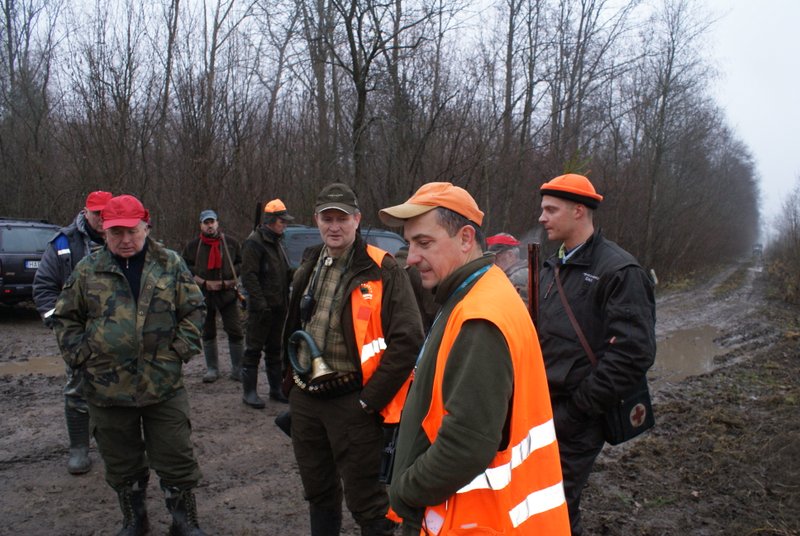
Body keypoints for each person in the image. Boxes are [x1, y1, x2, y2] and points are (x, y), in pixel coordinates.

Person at [379, 182, 570, 535]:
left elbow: (465, 445)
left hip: (477, 521)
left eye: (424, 243)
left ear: (466, 238)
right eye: (409, 244)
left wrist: (404, 493)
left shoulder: (479, 317)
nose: (412, 257)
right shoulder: (477, 291)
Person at [52, 194, 208, 536]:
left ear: (146, 227)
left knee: (176, 455)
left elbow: (195, 309)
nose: (125, 239)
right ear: (104, 232)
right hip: (107, 388)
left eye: (132, 231)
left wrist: (179, 350)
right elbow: (65, 318)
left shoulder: (169, 263)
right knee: (121, 461)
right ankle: (135, 519)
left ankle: (184, 521)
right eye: (116, 232)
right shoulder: (88, 269)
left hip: (162, 385)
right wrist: (82, 356)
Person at [283, 182, 424, 536]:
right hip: (306, 398)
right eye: (327, 218)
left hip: (353, 403)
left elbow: (408, 340)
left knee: (368, 503)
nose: (334, 226)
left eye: (342, 219)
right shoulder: (311, 260)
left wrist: (369, 401)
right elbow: (293, 322)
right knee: (318, 491)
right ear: (316, 220)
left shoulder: (382, 268)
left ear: (357, 220)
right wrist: (290, 384)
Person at [536, 173, 656, 535]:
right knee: (539, 501)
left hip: (578, 416)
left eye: (551, 210)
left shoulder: (619, 270)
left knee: (554, 506)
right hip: (542, 409)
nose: (541, 218)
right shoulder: (551, 265)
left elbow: (632, 354)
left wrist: (576, 411)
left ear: (578, 211)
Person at [33, 189, 113, 475]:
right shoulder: (63, 242)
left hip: (118, 331)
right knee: (77, 389)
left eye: (106, 213)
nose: (102, 219)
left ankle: (113, 446)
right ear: (85, 212)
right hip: (80, 332)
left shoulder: (123, 236)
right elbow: (43, 287)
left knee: (116, 388)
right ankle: (79, 448)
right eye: (97, 213)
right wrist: (59, 323)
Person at [240, 199, 295, 408]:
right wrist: (260, 304)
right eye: (282, 221)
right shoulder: (254, 243)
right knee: (253, 350)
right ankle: (249, 393)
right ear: (271, 221)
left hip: (279, 306)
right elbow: (249, 276)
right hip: (260, 310)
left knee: (275, 349)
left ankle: (276, 389)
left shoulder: (277, 242)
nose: (285, 225)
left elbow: (282, 272)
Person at [182, 209, 245, 383]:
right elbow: (184, 266)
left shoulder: (231, 243)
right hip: (203, 295)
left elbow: (241, 262)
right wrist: (202, 281)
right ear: (201, 225)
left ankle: (238, 369)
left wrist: (230, 277)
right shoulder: (192, 246)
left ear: (217, 223)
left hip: (228, 294)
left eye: (212, 222)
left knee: (235, 331)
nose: (210, 225)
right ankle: (212, 369)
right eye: (206, 223)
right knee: (208, 333)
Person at [486, 232, 529, 305]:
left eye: (496, 257)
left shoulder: (517, 278)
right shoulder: (517, 274)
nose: (493, 262)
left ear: (510, 255)